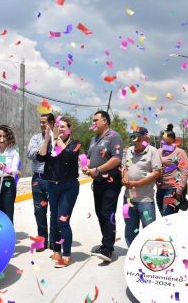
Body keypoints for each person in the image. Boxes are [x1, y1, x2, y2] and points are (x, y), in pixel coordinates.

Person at [36, 117, 80, 268]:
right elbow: (40, 157)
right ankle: (57, 250)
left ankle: (67, 255)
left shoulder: (75, 143)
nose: (59, 129)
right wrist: (47, 139)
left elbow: (68, 155)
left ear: (69, 129)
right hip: (52, 186)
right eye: (57, 126)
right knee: (54, 220)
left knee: (62, 220)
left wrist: (56, 138)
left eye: (62, 127)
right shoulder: (51, 143)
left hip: (69, 187)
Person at [82, 110, 124, 263]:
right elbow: (89, 156)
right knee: (100, 213)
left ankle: (108, 248)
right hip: (98, 182)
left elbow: (117, 159)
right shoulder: (94, 139)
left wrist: (98, 169)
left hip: (111, 182)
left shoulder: (114, 137)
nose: (93, 123)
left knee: (108, 213)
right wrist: (87, 166)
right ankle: (105, 242)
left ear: (105, 121)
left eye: (96, 120)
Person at [122, 127, 161, 247]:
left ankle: (148, 253)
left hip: (145, 200)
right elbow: (125, 168)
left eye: (139, 137)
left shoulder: (152, 151)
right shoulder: (129, 150)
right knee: (130, 228)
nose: (136, 140)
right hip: (128, 199)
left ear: (146, 138)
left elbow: (157, 172)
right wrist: (124, 177)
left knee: (149, 229)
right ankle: (132, 252)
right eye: (134, 137)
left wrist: (138, 184)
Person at [27, 113, 55, 251]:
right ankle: (42, 240)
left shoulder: (57, 140)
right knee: (39, 211)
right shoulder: (35, 138)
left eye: (45, 122)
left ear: (52, 123)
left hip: (53, 180)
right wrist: (43, 146)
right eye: (41, 122)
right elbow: (31, 155)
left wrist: (49, 142)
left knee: (54, 211)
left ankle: (54, 240)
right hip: (38, 179)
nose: (42, 125)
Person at [156, 124, 188, 216]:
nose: (166, 146)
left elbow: (184, 172)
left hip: (172, 190)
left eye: (168, 144)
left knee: (168, 217)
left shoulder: (180, 153)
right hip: (160, 189)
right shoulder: (158, 151)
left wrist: (178, 191)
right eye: (164, 143)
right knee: (163, 216)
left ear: (174, 141)